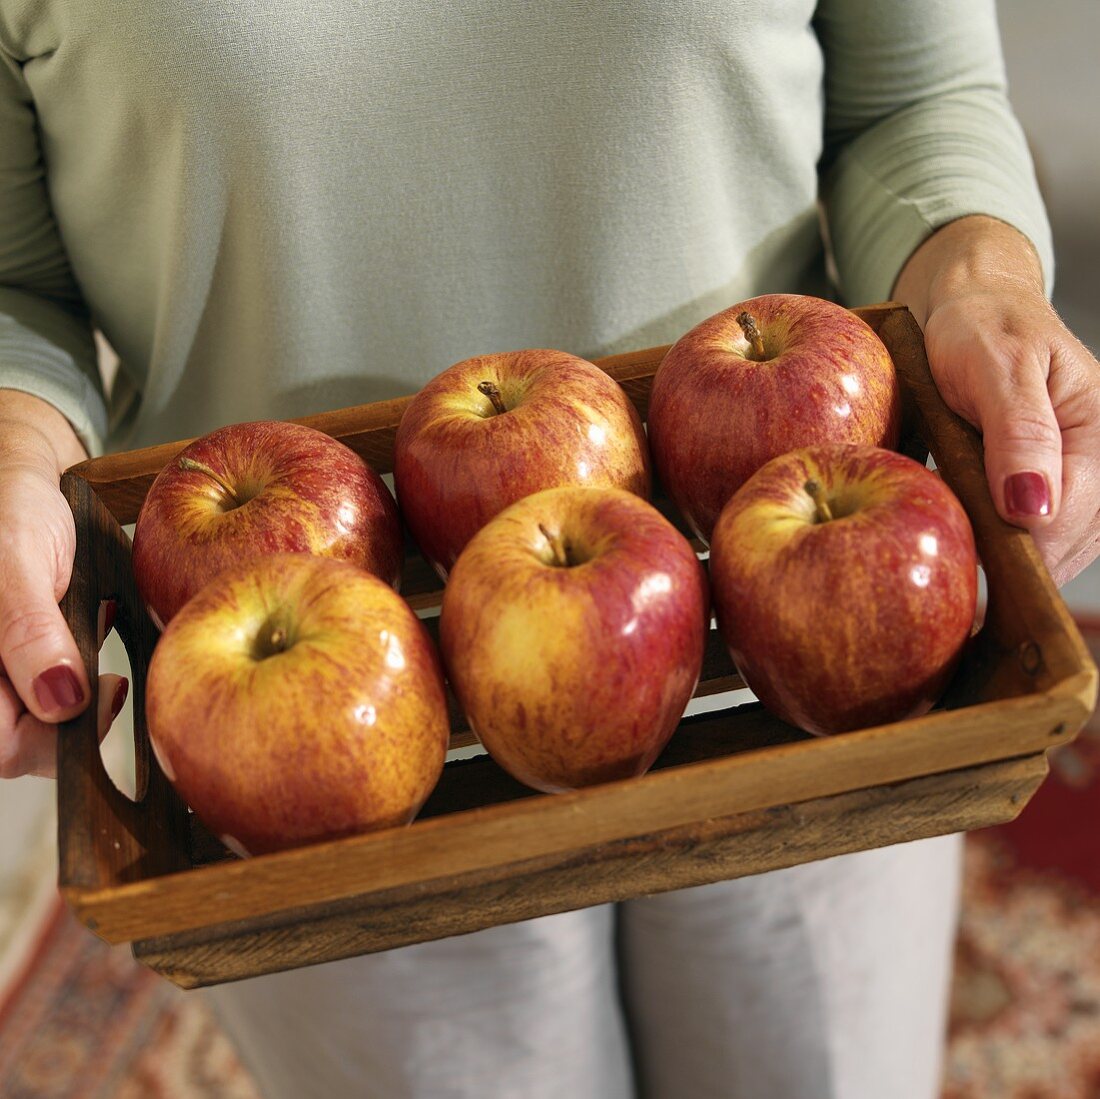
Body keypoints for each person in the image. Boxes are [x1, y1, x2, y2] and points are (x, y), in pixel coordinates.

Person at [1, 1, 1098, 1096]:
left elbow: (907, 102)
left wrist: (982, 291)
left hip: (797, 649)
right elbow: (17, 282)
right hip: (305, 749)